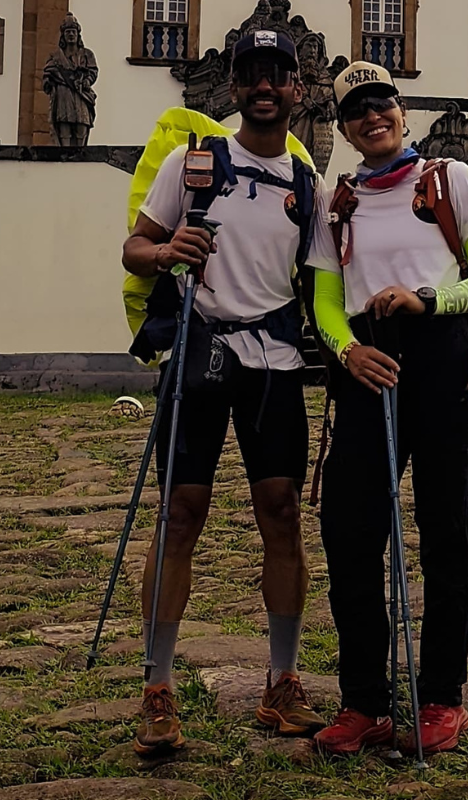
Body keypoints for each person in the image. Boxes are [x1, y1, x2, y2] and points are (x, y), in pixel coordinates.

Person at [121, 29, 335, 757]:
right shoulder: (191, 162)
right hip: (200, 352)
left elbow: (322, 284)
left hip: (275, 361)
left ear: (297, 88)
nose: (265, 85)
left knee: (282, 514)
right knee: (180, 515)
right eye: (252, 75)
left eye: (277, 73)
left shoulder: (309, 186)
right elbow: (135, 247)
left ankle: (283, 681)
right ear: (235, 87)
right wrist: (164, 251)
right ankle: (157, 686)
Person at [307, 62, 468, 756]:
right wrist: (345, 351)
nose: (373, 117)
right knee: (350, 532)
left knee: (445, 530)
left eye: (383, 103)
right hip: (366, 364)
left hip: (443, 358)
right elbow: (325, 300)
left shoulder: (450, 180)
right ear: (344, 127)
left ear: (402, 111)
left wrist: (429, 301)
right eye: (357, 110)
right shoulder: (337, 202)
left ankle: (443, 697)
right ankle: (364, 701)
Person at [43, 13, 98, 147]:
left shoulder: (87, 54)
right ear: (63, 35)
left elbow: (93, 71)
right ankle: (64, 155)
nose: (71, 34)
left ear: (78, 34)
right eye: (68, 32)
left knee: (81, 126)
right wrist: (49, 81)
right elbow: (47, 74)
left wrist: (87, 81)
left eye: (73, 31)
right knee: (64, 128)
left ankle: (80, 155)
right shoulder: (55, 56)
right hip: (63, 94)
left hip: (81, 94)